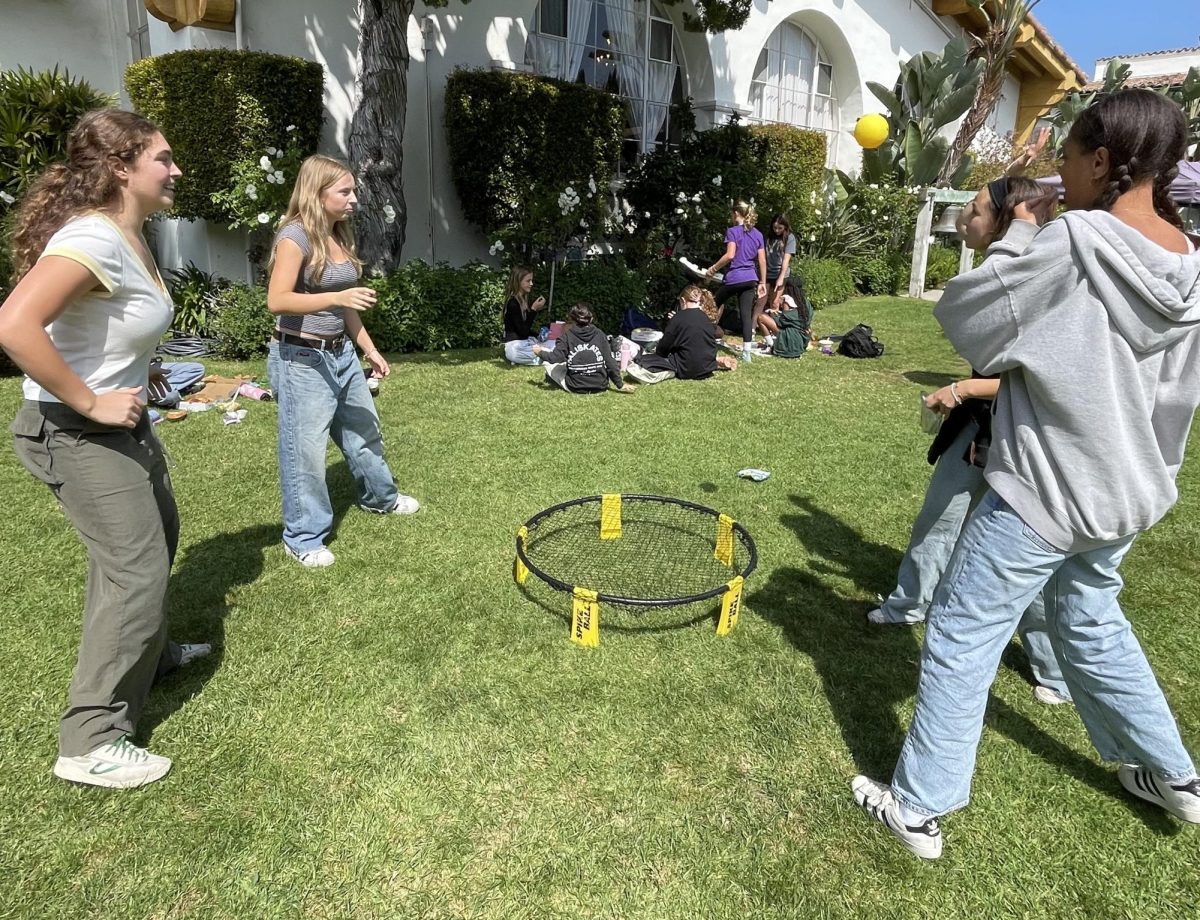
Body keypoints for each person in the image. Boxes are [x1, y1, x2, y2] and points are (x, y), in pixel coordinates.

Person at [852, 89, 1200, 860]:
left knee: (962, 631)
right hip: (1128, 490)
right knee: (1093, 624)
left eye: (1069, 156)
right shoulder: (1190, 262)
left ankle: (918, 805)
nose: (1059, 172)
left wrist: (1020, 230)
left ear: (1102, 159)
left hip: (1047, 487)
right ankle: (1173, 775)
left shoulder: (1076, 241)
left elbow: (976, 315)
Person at [0, 108, 210, 788]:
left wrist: (136, 369)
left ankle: (149, 653)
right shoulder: (92, 235)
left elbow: (111, 322)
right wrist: (91, 398)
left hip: (121, 422)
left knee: (159, 536)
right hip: (73, 428)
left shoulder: (131, 233)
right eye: (163, 159)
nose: (175, 170)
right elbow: (15, 325)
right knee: (135, 568)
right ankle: (90, 738)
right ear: (122, 168)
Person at [867, 176, 1072, 706]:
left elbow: (1039, 379)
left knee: (1024, 557)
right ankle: (909, 602)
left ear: (1007, 220)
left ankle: (1052, 666)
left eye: (977, 210)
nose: (965, 219)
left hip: (1024, 440)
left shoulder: (1035, 275)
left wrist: (961, 388)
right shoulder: (1006, 272)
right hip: (979, 429)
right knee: (940, 516)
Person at [266, 154, 419, 570]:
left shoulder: (339, 234)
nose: (354, 198)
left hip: (341, 354)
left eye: (354, 191)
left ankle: (380, 498)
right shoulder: (294, 237)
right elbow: (277, 300)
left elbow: (346, 308)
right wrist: (338, 297)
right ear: (317, 194)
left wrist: (369, 349)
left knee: (363, 428)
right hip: (301, 358)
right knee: (306, 452)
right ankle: (302, 537)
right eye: (345, 191)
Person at [627, 285, 737, 383]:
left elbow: (663, 349)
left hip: (686, 368)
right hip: (707, 367)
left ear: (683, 301)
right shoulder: (707, 319)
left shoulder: (678, 317)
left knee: (646, 360)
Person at [706, 201, 766, 363]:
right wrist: (762, 282)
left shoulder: (733, 231)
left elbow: (730, 255)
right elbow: (762, 260)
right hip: (750, 279)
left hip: (734, 278)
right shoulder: (758, 234)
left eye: (732, 214)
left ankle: (700, 337)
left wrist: (712, 269)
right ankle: (746, 352)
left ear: (736, 214)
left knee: (711, 305)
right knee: (746, 315)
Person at [541, 302, 635, 394]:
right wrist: (620, 384)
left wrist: (539, 352)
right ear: (591, 319)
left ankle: (551, 378)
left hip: (575, 386)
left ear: (571, 319)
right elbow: (610, 362)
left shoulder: (566, 336)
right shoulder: (600, 334)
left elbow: (554, 358)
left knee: (549, 365)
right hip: (600, 385)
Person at [750, 213, 797, 344]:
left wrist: (781, 278)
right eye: (775, 227)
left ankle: (773, 331)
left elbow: (786, 260)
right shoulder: (767, 237)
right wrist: (762, 280)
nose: (777, 230)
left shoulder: (790, 238)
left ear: (785, 227)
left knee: (775, 303)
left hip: (780, 273)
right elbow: (762, 257)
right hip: (766, 273)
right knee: (760, 301)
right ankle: (752, 330)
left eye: (780, 228)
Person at [501, 266, 548, 365]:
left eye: (531, 280)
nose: (531, 284)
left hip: (524, 342)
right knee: (549, 353)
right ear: (518, 281)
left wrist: (538, 335)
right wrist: (534, 310)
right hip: (515, 347)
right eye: (528, 281)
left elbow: (524, 328)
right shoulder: (513, 303)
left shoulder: (522, 300)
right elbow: (522, 332)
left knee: (549, 346)